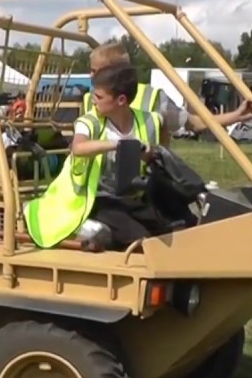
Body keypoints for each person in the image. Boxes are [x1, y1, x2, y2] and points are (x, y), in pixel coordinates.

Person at [24, 64, 170, 249]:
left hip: (128, 197)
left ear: (121, 100)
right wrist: (116, 145)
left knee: (169, 229)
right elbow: (78, 147)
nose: (93, 100)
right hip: (91, 199)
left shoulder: (146, 120)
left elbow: (163, 130)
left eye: (99, 97)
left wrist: (147, 153)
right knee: (142, 239)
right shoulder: (90, 122)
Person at [83, 43, 252, 144]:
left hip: (145, 190)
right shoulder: (89, 100)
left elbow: (195, 123)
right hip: (98, 191)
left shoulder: (153, 99)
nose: (90, 76)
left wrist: (237, 116)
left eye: (94, 70)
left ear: (112, 72)